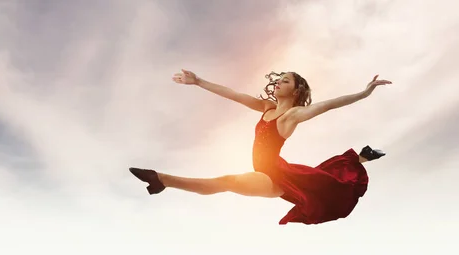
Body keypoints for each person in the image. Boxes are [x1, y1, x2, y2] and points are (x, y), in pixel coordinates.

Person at [129, 70, 390, 225]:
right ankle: (362, 156)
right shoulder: (267, 107)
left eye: (285, 81)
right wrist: (199, 81)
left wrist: (364, 93)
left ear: (297, 90)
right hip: (271, 168)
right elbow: (234, 95)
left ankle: (161, 179)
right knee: (320, 175)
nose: (278, 83)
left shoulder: (292, 116)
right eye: (279, 80)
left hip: (274, 177)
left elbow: (330, 104)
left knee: (227, 181)